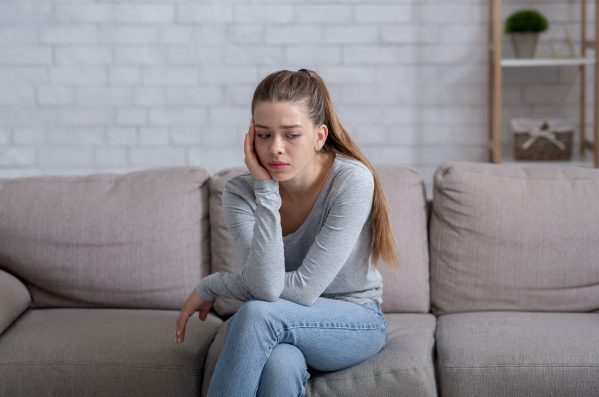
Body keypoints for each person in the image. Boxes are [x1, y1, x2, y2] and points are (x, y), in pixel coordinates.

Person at [175, 68, 399, 397]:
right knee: (280, 364)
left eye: (291, 135)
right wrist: (266, 191)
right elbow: (264, 285)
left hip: (353, 318)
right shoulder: (240, 193)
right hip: (281, 320)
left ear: (319, 136)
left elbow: (297, 291)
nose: (275, 148)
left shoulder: (351, 180)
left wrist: (214, 285)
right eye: (264, 135)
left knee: (256, 314)